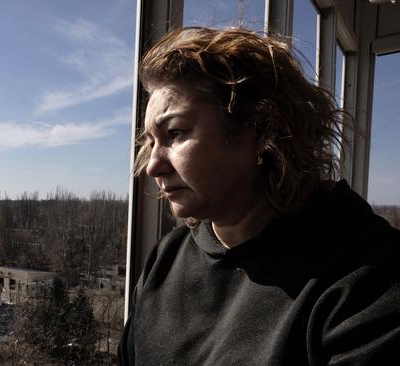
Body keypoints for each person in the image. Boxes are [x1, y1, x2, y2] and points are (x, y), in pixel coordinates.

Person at [119, 26, 400, 365]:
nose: (153, 166)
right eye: (151, 142)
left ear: (261, 128)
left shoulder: (368, 278)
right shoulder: (166, 260)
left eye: (175, 133)